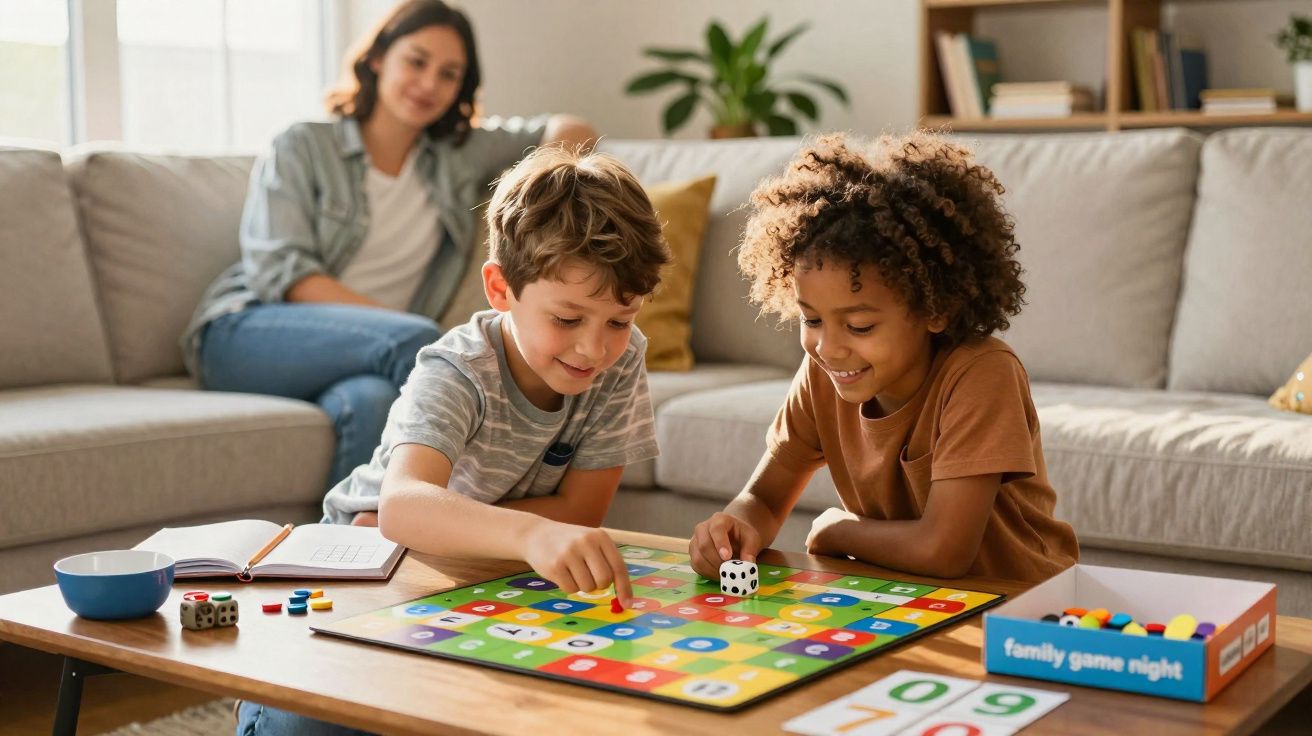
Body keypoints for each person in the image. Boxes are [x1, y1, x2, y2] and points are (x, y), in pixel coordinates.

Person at [237, 145, 670, 735]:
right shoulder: (457, 368)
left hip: (476, 568)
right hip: (361, 564)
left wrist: (451, 528)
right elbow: (403, 507)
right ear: (500, 288)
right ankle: (261, 701)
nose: (595, 348)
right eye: (567, 319)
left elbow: (583, 510)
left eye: (619, 320)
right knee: (313, 722)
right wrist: (528, 532)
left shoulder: (622, 360)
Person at [185, 0, 597, 490]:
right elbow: (282, 272)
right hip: (244, 332)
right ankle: (484, 505)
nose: (429, 84)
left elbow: (574, 132)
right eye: (416, 61)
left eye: (449, 74)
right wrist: (390, 329)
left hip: (368, 356)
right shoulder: (303, 145)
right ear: (378, 58)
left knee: (371, 402)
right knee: (422, 343)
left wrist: (538, 193)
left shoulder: (457, 156)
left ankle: (347, 539)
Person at [688, 131, 1079, 584]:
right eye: (811, 320)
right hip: (906, 598)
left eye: (859, 326)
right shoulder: (824, 372)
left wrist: (838, 530)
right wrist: (732, 531)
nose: (828, 347)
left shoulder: (982, 374)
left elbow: (944, 550)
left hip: (1021, 601)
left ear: (936, 309)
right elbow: (764, 500)